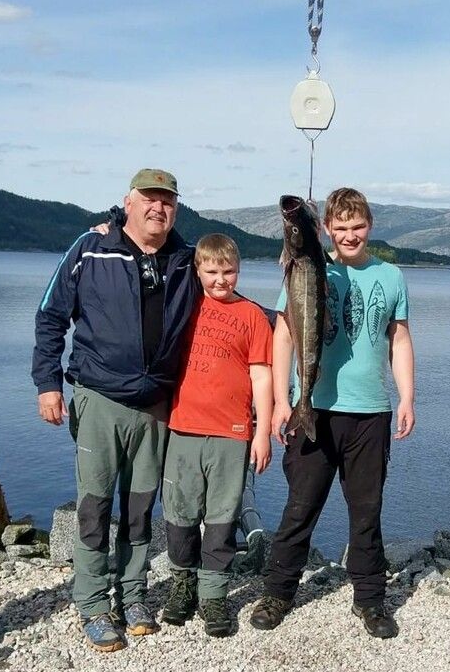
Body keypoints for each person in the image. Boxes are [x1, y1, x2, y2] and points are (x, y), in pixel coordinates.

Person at [32, 168, 201, 653]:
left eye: (167, 201)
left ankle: (133, 595)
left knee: (142, 507)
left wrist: (287, 320)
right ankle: (92, 604)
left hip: (155, 405)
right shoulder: (91, 248)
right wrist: (48, 385)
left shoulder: (185, 260)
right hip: (99, 397)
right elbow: (50, 316)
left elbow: (225, 305)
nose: (158, 208)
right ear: (127, 202)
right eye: (149, 199)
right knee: (95, 504)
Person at [251, 187, 416, 639]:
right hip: (313, 410)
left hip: (370, 413)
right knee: (300, 507)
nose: (349, 235)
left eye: (357, 226)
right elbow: (282, 335)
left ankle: (370, 600)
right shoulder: (307, 270)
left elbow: (398, 340)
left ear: (370, 226)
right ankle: (278, 592)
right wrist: (283, 400)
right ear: (325, 229)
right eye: (340, 228)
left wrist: (406, 396)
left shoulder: (392, 276)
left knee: (367, 511)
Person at [159, 233, 274, 638]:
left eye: (228, 271)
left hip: (232, 432)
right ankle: (183, 584)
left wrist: (262, 433)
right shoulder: (184, 307)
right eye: (211, 271)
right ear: (198, 270)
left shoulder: (253, 316)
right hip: (183, 427)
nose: (221, 280)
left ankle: (214, 594)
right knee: (179, 513)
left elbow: (262, 374)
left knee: (223, 517)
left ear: (238, 270)